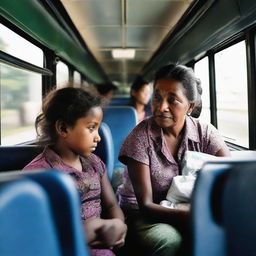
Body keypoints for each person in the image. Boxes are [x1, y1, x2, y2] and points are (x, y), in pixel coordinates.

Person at [116, 64, 230, 256]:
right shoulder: (140, 137)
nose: (161, 107)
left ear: (190, 106)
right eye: (157, 97)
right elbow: (146, 206)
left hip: (191, 209)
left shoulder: (205, 132)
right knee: (169, 242)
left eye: (173, 100)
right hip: (144, 214)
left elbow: (230, 176)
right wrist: (193, 215)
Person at [23, 87, 127, 256]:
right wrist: (90, 230)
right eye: (91, 128)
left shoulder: (95, 163)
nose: (98, 137)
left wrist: (118, 224)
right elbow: (36, 233)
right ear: (63, 128)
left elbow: (111, 204)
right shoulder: (39, 175)